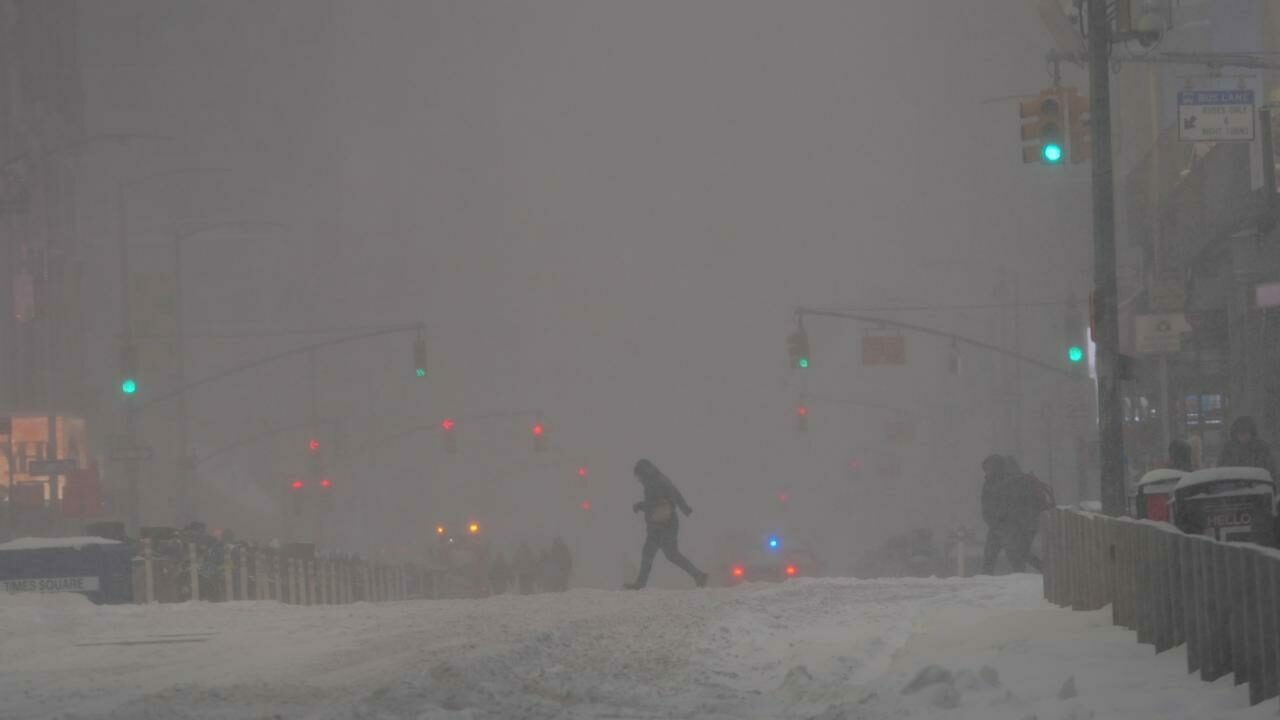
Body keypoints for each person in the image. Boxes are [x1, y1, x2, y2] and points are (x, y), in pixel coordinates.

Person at [625, 459, 708, 589]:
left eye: (639, 476)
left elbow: (658, 503)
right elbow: (676, 493)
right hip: (668, 523)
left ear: (644, 472)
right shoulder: (661, 478)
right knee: (672, 555)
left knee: (648, 553)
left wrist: (640, 505)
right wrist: (685, 508)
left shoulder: (654, 483)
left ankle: (640, 584)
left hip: (661, 525)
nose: (639, 479)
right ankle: (699, 575)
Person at [981, 455, 1043, 574]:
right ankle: (1044, 569)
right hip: (999, 526)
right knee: (1018, 553)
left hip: (1008, 527)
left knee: (1017, 556)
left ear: (997, 467)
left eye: (989, 468)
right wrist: (993, 522)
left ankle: (1040, 571)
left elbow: (1014, 506)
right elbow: (986, 506)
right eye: (986, 468)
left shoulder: (1012, 482)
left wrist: (1004, 522)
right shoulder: (989, 483)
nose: (986, 471)